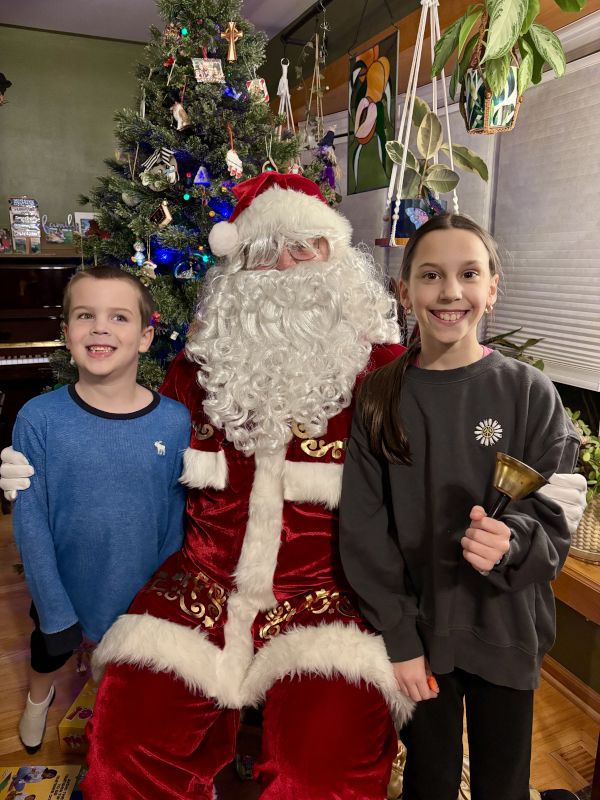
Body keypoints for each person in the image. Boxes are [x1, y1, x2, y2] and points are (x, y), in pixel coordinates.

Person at [0, 180, 585, 800]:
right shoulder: (192, 371)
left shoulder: (388, 375)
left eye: (303, 247)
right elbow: (132, 443)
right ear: (236, 271)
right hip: (199, 589)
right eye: (265, 249)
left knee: (321, 775)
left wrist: (526, 517)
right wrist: (46, 458)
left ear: (338, 262)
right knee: (125, 748)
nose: (284, 264)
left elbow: (460, 436)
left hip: (332, 599)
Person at [339, 214, 582, 800]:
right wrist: (398, 635)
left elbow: (557, 509)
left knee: (504, 780)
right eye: (430, 275)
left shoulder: (529, 393)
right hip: (421, 637)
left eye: (468, 274)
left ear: (492, 288)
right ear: (405, 292)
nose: (449, 292)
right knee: (431, 777)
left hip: (506, 629)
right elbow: (364, 530)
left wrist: (514, 541)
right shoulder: (379, 396)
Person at [9, 267, 190, 753]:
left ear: (146, 336)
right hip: (63, 584)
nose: (100, 328)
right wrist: (53, 606)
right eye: (85, 315)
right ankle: (38, 698)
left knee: (126, 677)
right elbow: (30, 524)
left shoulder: (176, 421)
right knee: (50, 651)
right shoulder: (39, 419)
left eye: (119, 316)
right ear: (66, 332)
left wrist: (161, 598)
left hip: (139, 592)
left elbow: (175, 518)